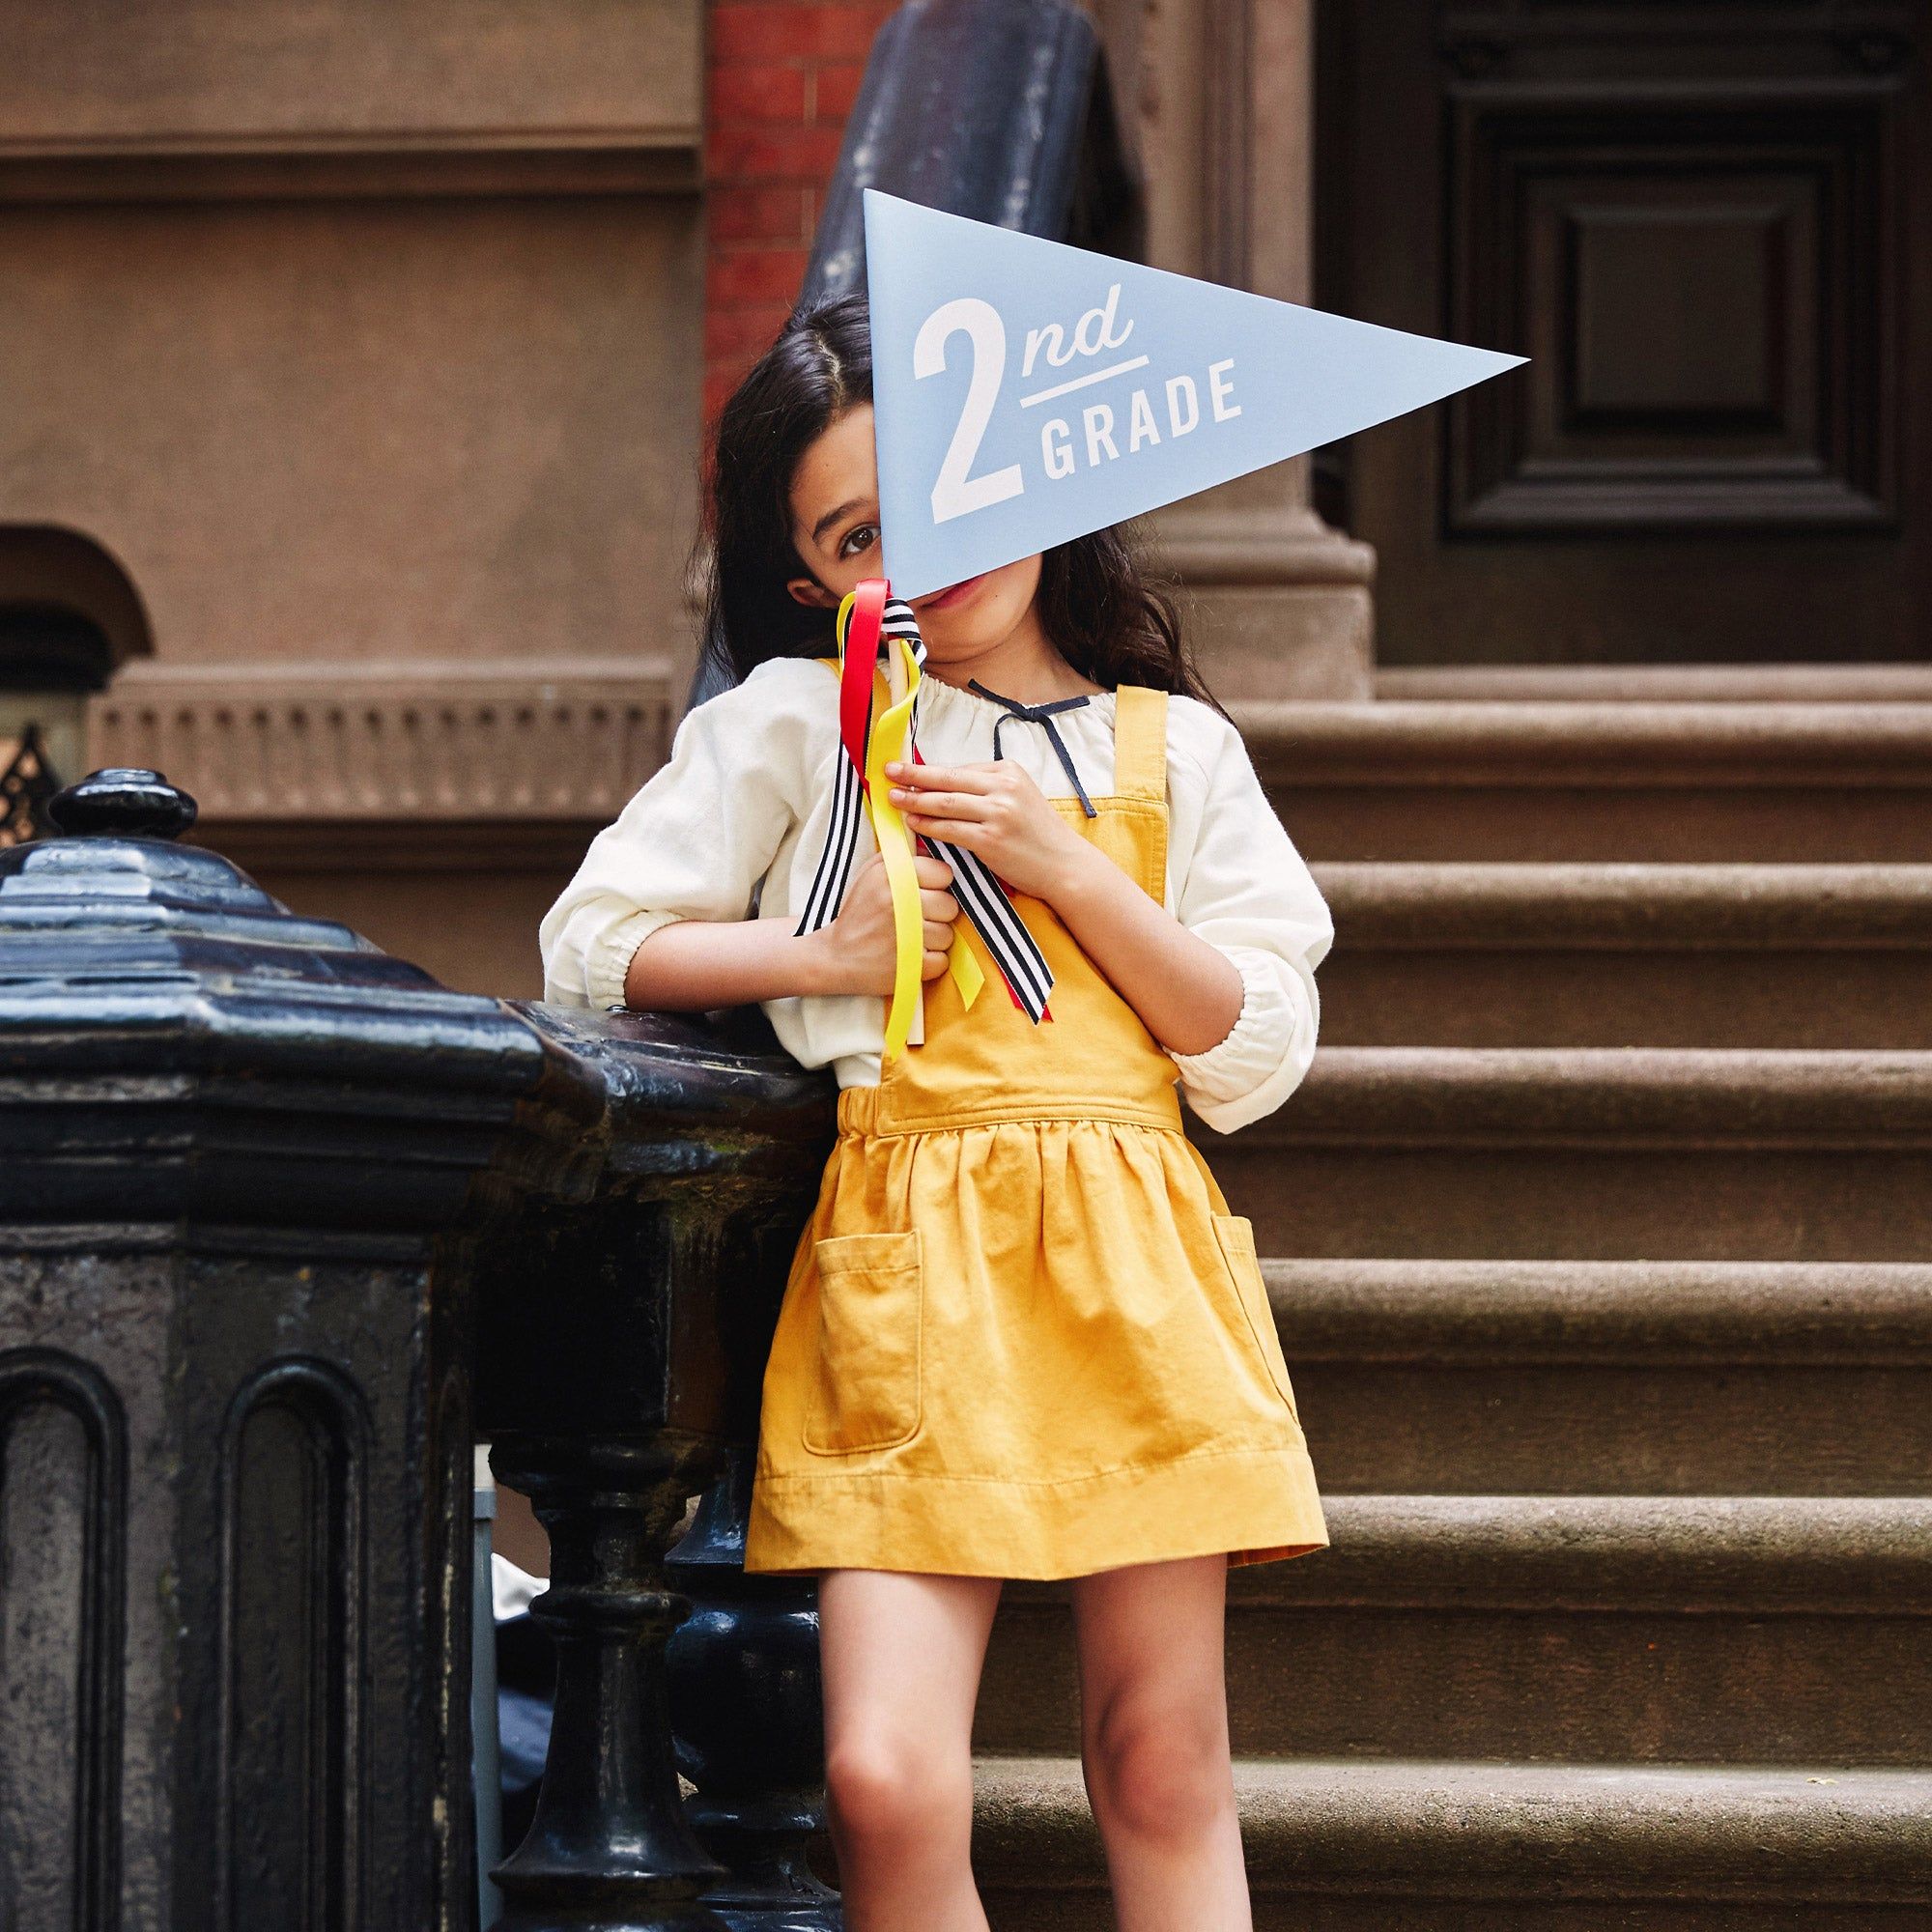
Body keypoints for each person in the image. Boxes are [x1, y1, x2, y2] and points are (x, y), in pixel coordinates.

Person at [539, 288, 1333, 1932]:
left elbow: (1251, 1045)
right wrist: (816, 946)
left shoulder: (1169, 749)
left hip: (1133, 1263)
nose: (925, 552)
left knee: (1163, 1760)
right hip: (905, 1264)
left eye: (960, 494)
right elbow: (589, 948)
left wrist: (1063, 868)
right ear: (810, 580)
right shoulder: (790, 731)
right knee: (885, 1780)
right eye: (858, 534)